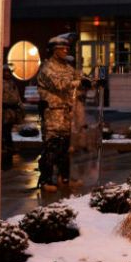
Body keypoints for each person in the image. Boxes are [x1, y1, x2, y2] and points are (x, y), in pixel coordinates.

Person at [36, 34, 88, 191]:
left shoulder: (68, 67)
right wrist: (79, 83)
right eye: (62, 48)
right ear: (54, 50)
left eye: (67, 48)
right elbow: (60, 85)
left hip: (67, 114)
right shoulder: (47, 68)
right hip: (53, 114)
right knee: (52, 147)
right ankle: (46, 180)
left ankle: (64, 177)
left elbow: (80, 78)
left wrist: (93, 81)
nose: (66, 50)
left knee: (65, 148)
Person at [0, 64, 25, 151]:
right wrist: (3, 105)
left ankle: (9, 145)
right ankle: (5, 146)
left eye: (9, 72)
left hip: (12, 110)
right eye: (5, 72)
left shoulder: (12, 83)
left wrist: (20, 107)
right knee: (4, 129)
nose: (7, 74)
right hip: (4, 110)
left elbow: (17, 96)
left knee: (8, 128)